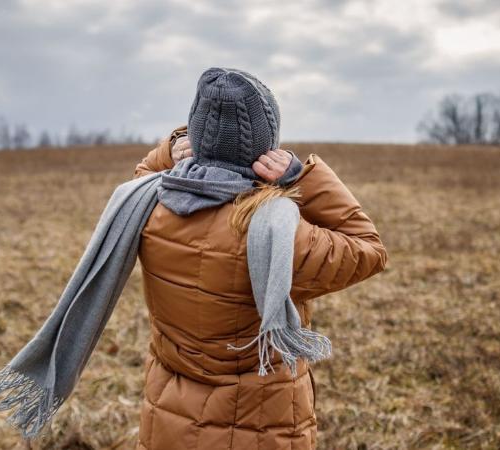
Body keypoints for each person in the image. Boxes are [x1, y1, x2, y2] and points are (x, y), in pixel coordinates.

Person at [132, 68, 388, 450]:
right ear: (266, 148)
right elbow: (368, 249)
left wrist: (168, 153)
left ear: (196, 136)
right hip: (260, 428)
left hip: (171, 423)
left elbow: (141, 176)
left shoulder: (150, 209)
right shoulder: (277, 232)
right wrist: (303, 177)